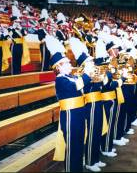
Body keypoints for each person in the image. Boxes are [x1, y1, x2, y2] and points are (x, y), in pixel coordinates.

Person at [45, 35, 93, 172]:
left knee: (78, 145)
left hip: (78, 114)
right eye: (66, 63)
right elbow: (76, 87)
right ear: (58, 67)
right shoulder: (60, 80)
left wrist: (90, 77)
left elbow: (84, 88)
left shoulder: (71, 77)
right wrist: (87, 74)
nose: (70, 64)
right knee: (72, 147)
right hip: (70, 116)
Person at [69, 37, 107, 172]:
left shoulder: (92, 73)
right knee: (91, 133)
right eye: (90, 61)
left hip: (97, 102)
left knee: (97, 131)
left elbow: (102, 85)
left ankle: (95, 159)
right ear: (84, 64)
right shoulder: (81, 75)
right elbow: (83, 89)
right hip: (90, 104)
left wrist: (102, 76)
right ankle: (90, 161)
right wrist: (89, 75)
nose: (93, 62)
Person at [8, 5, 29, 75]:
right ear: (13, 22)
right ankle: (13, 74)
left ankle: (18, 74)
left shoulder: (20, 29)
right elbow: (9, 35)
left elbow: (25, 34)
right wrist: (13, 28)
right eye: (16, 22)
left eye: (18, 22)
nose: (18, 23)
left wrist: (20, 28)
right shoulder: (10, 28)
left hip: (20, 46)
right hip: (14, 45)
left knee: (19, 60)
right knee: (14, 61)